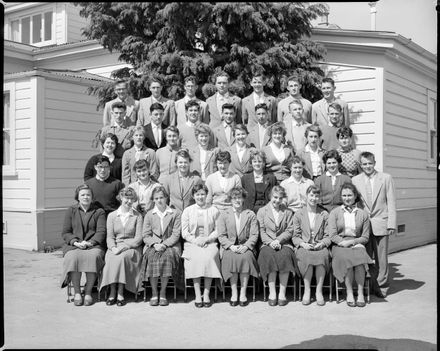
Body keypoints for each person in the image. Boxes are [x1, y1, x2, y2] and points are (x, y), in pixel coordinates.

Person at [352, 151, 396, 298]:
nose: (367, 166)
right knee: (366, 257)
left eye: (370, 163)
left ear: (375, 163)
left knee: (381, 258)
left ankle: (381, 286)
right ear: (361, 165)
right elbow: (355, 203)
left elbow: (391, 202)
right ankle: (368, 285)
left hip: (381, 222)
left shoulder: (386, 178)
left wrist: (391, 224)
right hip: (364, 225)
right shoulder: (356, 180)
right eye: (364, 164)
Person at [60, 184, 106, 306]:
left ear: (92, 197)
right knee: (73, 258)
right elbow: (66, 232)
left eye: (88, 195)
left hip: (93, 245)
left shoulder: (99, 211)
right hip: (74, 245)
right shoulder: (71, 210)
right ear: (78, 197)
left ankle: (88, 292)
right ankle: (76, 292)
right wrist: (75, 242)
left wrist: (90, 242)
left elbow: (101, 232)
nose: (86, 197)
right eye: (83, 195)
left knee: (93, 257)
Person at [328, 183, 373, 307]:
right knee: (346, 258)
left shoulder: (363, 214)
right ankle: (349, 293)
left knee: (359, 259)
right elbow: (332, 235)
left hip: (356, 242)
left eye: (349, 195)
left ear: (355, 196)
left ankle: (360, 293)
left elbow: (365, 237)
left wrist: (352, 242)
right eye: (344, 195)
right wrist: (343, 243)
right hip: (340, 244)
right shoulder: (335, 212)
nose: (347, 198)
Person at [100, 188, 144, 306]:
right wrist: (113, 248)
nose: (129, 201)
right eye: (126, 198)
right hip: (115, 246)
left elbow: (138, 238)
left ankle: (120, 291)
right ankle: (112, 290)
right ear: (121, 198)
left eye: (131, 199)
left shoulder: (137, 216)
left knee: (122, 258)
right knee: (111, 258)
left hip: (132, 248)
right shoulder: (112, 216)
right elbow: (109, 237)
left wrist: (124, 247)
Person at [217, 187, 259, 306]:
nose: (237, 200)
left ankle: (243, 293)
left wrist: (246, 246)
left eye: (239, 197)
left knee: (245, 258)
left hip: (245, 247)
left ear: (243, 199)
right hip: (230, 248)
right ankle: (234, 292)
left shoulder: (250, 214)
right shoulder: (224, 214)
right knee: (231, 258)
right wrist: (230, 246)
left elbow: (254, 234)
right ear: (230, 200)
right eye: (234, 198)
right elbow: (221, 235)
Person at [181, 184, 222, 307]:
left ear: (206, 195)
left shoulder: (214, 210)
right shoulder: (187, 211)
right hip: (192, 243)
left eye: (202, 194)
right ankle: (198, 294)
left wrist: (207, 239)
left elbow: (218, 230)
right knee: (195, 258)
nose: (200, 197)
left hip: (209, 242)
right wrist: (196, 241)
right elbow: (184, 232)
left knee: (209, 258)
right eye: (197, 194)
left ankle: (207, 293)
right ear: (193, 196)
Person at [141, 186, 182, 306]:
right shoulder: (149, 214)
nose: (159, 200)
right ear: (153, 200)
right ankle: (154, 292)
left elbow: (176, 234)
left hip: (170, 245)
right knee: (152, 258)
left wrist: (164, 244)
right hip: (153, 245)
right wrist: (155, 244)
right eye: (156, 198)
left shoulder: (175, 213)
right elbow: (146, 235)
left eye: (162, 197)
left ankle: (163, 292)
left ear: (166, 198)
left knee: (167, 258)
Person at [257, 186, 297, 306]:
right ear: (270, 196)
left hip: (284, 243)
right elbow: (261, 231)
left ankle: (282, 293)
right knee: (268, 256)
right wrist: (270, 242)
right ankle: (272, 292)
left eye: (280, 198)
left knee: (285, 256)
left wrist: (279, 240)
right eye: (275, 197)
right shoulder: (262, 211)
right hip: (267, 243)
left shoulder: (288, 212)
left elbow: (290, 230)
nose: (277, 200)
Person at [292, 185, 331, 306]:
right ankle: (307, 290)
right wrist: (303, 244)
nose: (314, 198)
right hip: (304, 246)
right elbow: (295, 236)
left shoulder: (324, 214)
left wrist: (322, 243)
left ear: (319, 198)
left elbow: (329, 235)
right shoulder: (299, 214)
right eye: (311, 195)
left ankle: (319, 291)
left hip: (319, 245)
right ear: (306, 197)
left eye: (316, 196)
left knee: (322, 256)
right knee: (306, 257)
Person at [241, 150, 277, 214]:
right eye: (254, 161)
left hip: (267, 212)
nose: (257, 164)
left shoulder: (271, 178)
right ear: (251, 163)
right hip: (250, 211)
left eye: (260, 161)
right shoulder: (245, 179)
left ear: (263, 163)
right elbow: (242, 198)